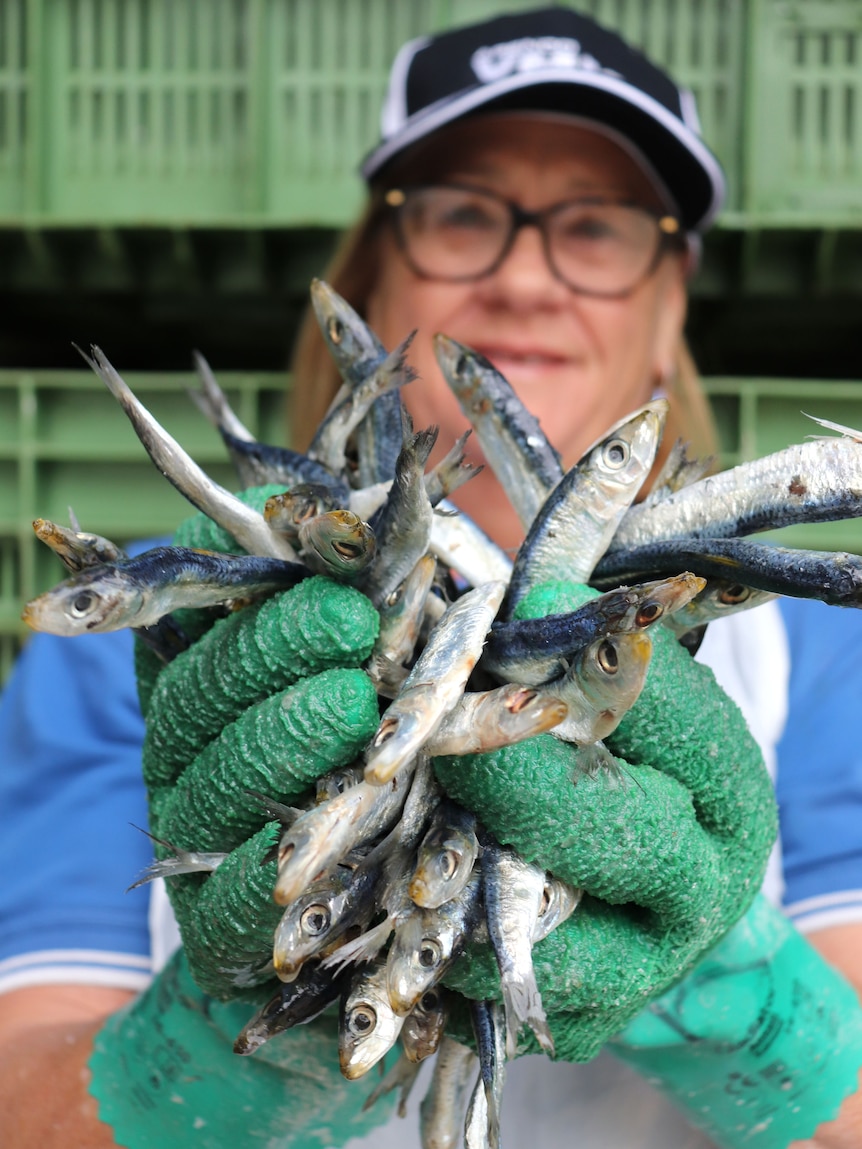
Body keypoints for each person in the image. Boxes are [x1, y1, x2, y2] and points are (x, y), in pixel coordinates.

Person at [1, 7, 861, 1148]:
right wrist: (220, 1062)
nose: (524, 279)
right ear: (374, 282)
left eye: (596, 228)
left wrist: (748, 995)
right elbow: (21, 1098)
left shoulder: (816, 643)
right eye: (463, 215)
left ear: (668, 310)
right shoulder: (163, 642)